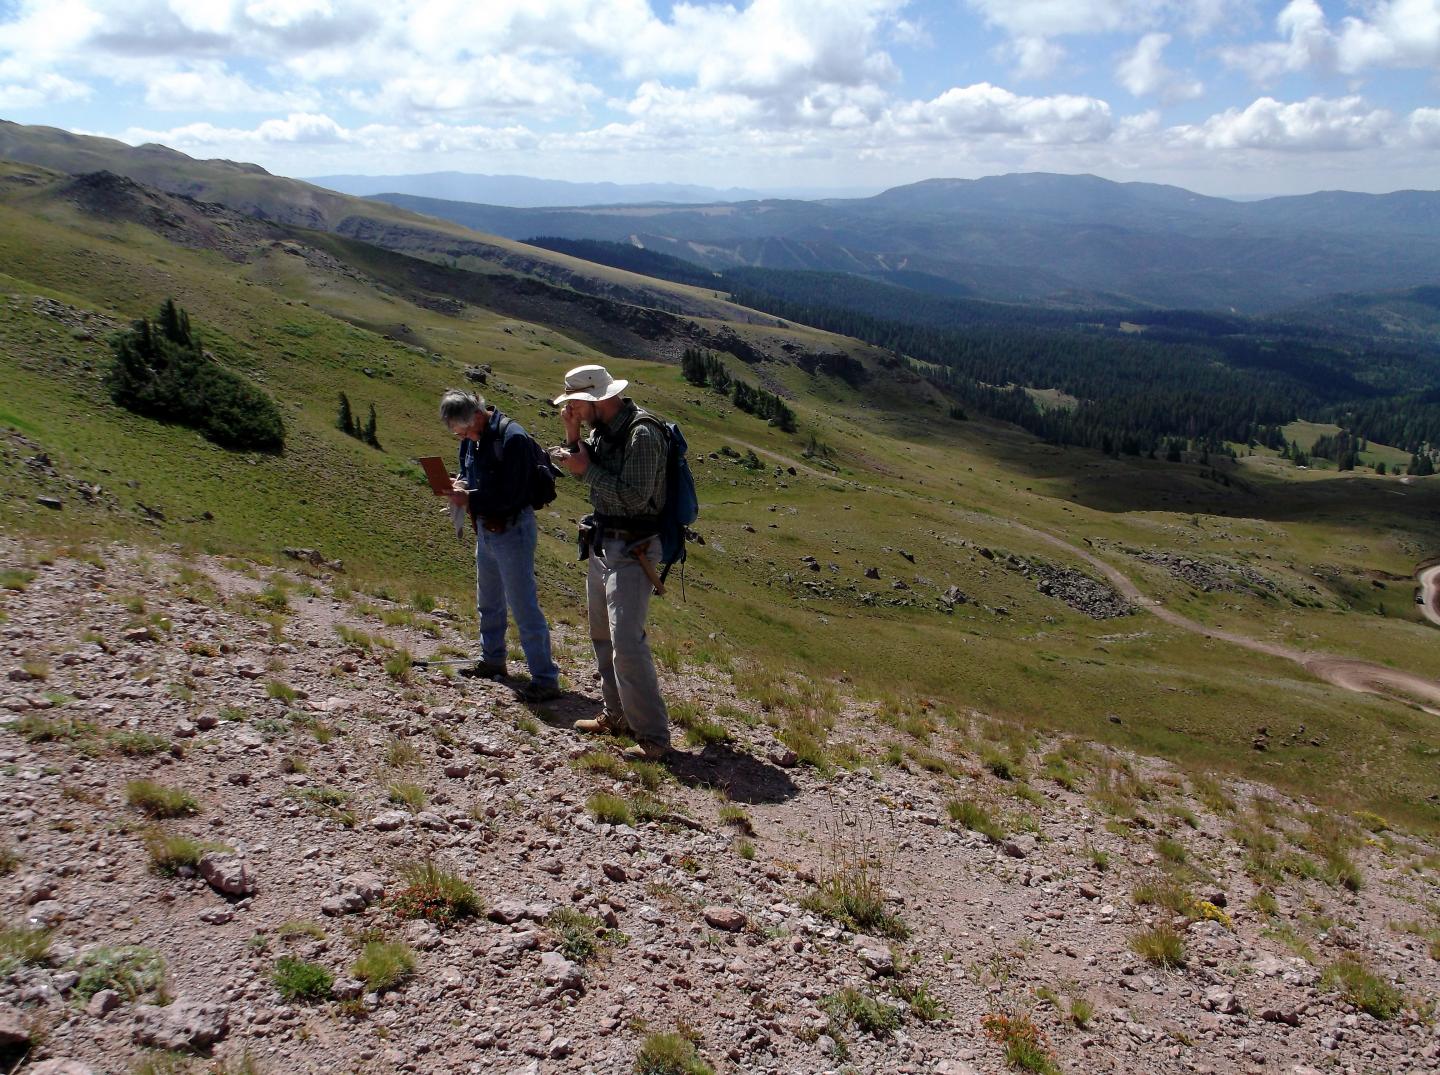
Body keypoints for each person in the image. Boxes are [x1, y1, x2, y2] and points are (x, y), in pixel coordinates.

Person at [552, 365, 672, 760]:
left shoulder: (642, 433)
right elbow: (585, 470)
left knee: (627, 643)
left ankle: (653, 737)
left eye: (575, 403)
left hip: (635, 548)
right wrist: (572, 436)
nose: (571, 408)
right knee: (603, 635)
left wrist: (587, 471)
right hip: (606, 542)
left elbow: (636, 498)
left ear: (596, 398)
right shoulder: (602, 429)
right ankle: (616, 715)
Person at [439, 388, 561, 702]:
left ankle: (545, 679)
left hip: (512, 529)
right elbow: (469, 472)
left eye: (464, 430)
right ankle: (492, 659)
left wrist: (469, 498)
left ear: (477, 415)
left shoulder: (513, 438)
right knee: (489, 599)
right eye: (458, 433)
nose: (463, 437)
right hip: (486, 528)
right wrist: (459, 484)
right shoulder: (471, 439)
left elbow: (512, 495)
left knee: (523, 605)